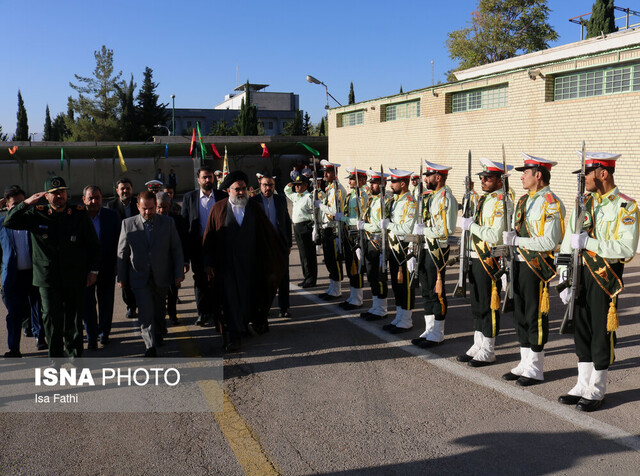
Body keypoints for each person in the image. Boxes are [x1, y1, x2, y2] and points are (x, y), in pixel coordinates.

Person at [557, 152, 639, 412]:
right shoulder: (582, 202)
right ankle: (583, 383)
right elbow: (569, 238)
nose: (583, 180)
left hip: (604, 277)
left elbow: (626, 247)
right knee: (580, 329)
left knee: (600, 332)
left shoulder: (625, 206)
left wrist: (589, 243)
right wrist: (563, 274)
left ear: (603, 173)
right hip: (579, 275)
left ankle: (598, 387)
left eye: (587, 174)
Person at [4, 176, 100, 360]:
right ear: (46, 196)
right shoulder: (36, 214)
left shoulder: (79, 214)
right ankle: (55, 358)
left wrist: (93, 271)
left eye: (62, 192)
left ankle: (74, 356)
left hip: (74, 275)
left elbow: (93, 245)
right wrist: (25, 203)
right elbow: (9, 221)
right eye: (54, 193)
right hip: (47, 278)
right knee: (51, 318)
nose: (59, 196)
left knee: (73, 318)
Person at [500, 154, 565, 386]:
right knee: (519, 315)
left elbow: (549, 241)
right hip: (517, 263)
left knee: (534, 316)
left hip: (535, 267)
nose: (521, 177)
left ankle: (536, 367)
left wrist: (518, 242)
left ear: (538, 175)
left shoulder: (551, 202)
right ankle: (524, 362)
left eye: (525, 173)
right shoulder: (523, 201)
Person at [203, 171, 286, 352]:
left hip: (251, 266)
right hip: (227, 267)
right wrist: (208, 263)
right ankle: (233, 336)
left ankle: (245, 325)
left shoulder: (254, 208)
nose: (241, 193)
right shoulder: (218, 209)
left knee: (249, 299)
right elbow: (209, 239)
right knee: (230, 301)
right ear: (228, 190)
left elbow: (268, 235)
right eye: (237, 189)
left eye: (243, 189)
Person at [117, 191, 185, 357]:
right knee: (146, 311)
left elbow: (176, 249)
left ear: (156, 206)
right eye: (144, 209)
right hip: (139, 276)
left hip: (161, 275)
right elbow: (122, 253)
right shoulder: (128, 224)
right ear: (138, 207)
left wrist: (178, 273)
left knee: (159, 309)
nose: (148, 212)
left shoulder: (167, 223)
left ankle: (159, 331)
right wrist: (122, 277)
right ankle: (150, 345)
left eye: (151, 208)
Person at [458, 158, 511, 367]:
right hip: (474, 256)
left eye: (488, 177)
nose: (483, 180)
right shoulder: (484, 199)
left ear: (500, 181)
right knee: (477, 304)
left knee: (489, 304)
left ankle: (489, 348)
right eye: (482, 177)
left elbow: (494, 234)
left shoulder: (502, 201)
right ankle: (478, 343)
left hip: (488, 259)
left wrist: (472, 227)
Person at [412, 161, 458, 348]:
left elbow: (445, 230)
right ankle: (429, 329)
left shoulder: (446, 198)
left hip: (437, 249)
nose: (425, 179)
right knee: (426, 291)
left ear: (438, 177)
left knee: (436, 291)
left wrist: (425, 231)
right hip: (425, 247)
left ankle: (438, 332)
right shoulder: (431, 197)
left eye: (429, 176)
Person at [0, 186, 45, 356]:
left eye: (23, 203)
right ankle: (14, 348)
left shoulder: (33, 221)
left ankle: (40, 338)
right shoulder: (2, 224)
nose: (20, 207)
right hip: (12, 277)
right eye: (15, 204)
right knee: (14, 314)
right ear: (7, 206)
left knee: (38, 308)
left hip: (34, 273)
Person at [181, 166, 227, 326]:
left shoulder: (222, 196)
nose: (208, 180)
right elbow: (184, 224)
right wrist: (185, 255)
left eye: (210, 177)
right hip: (198, 246)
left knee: (219, 279)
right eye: (205, 177)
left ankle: (219, 311)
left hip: (218, 245)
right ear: (198, 180)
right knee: (200, 280)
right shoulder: (189, 198)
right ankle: (203, 313)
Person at [82, 185, 121, 348]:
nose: (94, 201)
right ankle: (91, 335)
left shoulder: (112, 216)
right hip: (84, 269)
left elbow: (120, 241)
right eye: (90, 198)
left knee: (106, 301)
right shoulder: (78, 217)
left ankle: (104, 332)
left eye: (97, 197)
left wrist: (118, 263)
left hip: (106, 266)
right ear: (84, 199)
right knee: (87, 303)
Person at [381, 169, 417, 334]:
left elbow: (407, 228)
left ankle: (406, 320)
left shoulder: (410, 202)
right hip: (394, 246)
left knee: (405, 286)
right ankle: (399, 316)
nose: (391, 185)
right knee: (396, 284)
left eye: (393, 182)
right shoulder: (395, 201)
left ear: (403, 184)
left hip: (404, 247)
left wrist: (389, 225)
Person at [252, 174, 293, 318]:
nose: (268, 188)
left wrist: (288, 242)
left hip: (279, 245)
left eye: (270, 185)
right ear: (259, 184)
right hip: (262, 246)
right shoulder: (254, 201)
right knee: (264, 278)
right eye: (265, 185)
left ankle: (284, 308)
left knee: (283, 276)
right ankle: (265, 307)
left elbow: (287, 222)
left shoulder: (280, 200)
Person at [357, 170, 389, 320]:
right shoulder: (372, 199)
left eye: (374, 183)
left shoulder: (385, 200)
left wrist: (364, 226)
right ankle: (376, 306)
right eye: (371, 182)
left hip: (378, 242)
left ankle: (381, 308)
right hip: (368, 241)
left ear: (382, 184)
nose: (371, 185)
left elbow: (378, 225)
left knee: (379, 277)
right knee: (371, 275)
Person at [335, 168, 368, 310]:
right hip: (348, 235)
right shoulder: (350, 196)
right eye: (350, 178)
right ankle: (353, 295)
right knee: (350, 266)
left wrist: (343, 218)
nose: (350, 181)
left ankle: (358, 298)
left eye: (353, 179)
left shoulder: (363, 197)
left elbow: (359, 220)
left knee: (356, 267)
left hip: (357, 236)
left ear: (361, 181)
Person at [107, 178, 139, 319]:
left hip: (138, 248)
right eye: (122, 188)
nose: (125, 191)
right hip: (121, 250)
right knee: (124, 282)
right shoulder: (111, 206)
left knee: (139, 279)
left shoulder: (138, 204)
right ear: (117, 191)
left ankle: (140, 304)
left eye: (128, 188)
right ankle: (131, 306)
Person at [156, 192, 189, 326]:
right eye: (159, 207)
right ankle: (159, 319)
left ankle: (173, 314)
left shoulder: (177, 220)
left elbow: (184, 241)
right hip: (157, 263)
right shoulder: (151, 220)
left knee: (173, 290)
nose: (162, 210)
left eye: (165, 207)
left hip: (173, 262)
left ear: (169, 206)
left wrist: (185, 261)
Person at [316, 160, 347, 300]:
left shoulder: (338, 190)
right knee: (329, 259)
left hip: (334, 229)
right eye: (324, 171)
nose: (325, 174)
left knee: (334, 260)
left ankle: (337, 289)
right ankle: (332, 287)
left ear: (335, 174)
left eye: (328, 172)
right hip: (326, 228)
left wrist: (321, 206)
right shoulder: (330, 189)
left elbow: (335, 211)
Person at [284, 175, 317, 288]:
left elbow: (314, 214)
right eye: (295, 185)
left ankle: (310, 279)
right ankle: (307, 277)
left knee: (308, 255)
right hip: (298, 227)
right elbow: (286, 192)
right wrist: (290, 185)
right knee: (303, 255)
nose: (296, 187)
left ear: (305, 185)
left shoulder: (309, 197)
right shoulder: (297, 196)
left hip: (306, 227)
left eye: (299, 184)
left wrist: (313, 228)